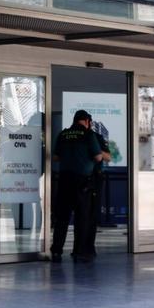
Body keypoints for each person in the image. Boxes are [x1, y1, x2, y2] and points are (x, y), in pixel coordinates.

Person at [50, 109, 110, 263]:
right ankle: (79, 251)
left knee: (62, 218)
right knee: (81, 217)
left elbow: (56, 157)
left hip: (64, 180)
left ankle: (56, 251)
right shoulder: (88, 134)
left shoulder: (63, 134)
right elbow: (98, 157)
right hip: (82, 182)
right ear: (87, 121)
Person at [79, 120, 113, 258]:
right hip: (87, 178)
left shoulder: (95, 137)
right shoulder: (90, 137)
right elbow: (104, 157)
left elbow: (107, 157)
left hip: (89, 178)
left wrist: (95, 150)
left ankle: (83, 247)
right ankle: (85, 247)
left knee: (88, 213)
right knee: (88, 213)